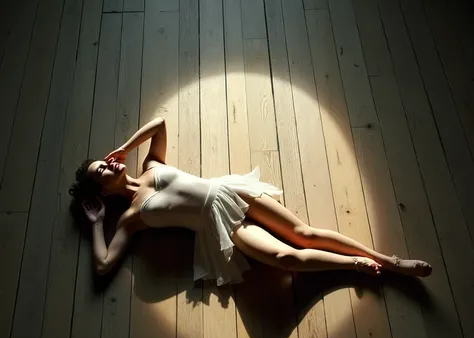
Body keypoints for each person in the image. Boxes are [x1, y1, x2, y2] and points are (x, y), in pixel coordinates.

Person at [69, 117, 432, 285]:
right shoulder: (131, 218)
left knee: (304, 233)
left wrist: (125, 147)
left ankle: (390, 261)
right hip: (219, 226)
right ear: (101, 191)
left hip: (229, 192)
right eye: (101, 171)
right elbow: (102, 266)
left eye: (105, 160)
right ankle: (353, 265)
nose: (109, 164)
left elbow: (160, 124)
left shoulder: (151, 165)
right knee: (285, 257)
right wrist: (98, 223)